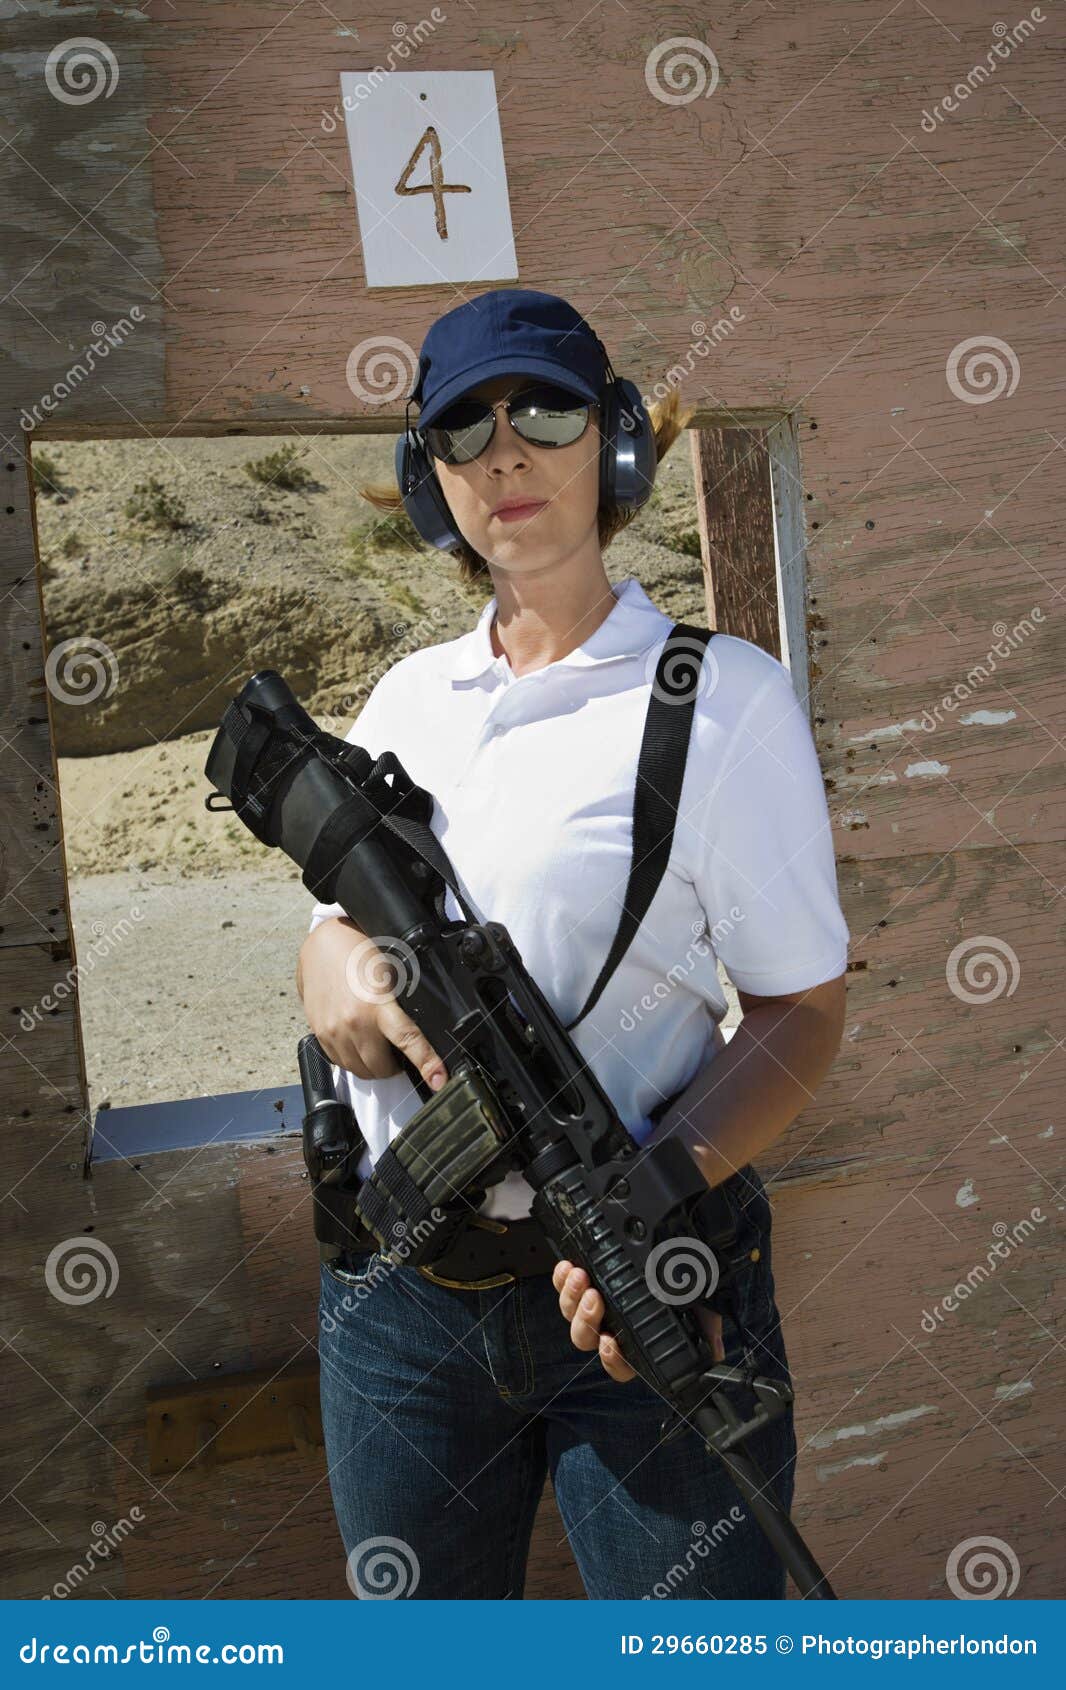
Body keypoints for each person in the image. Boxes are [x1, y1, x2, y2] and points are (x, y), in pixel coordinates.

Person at [296, 288, 849, 1600]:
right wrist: (336, 974)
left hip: (634, 1293)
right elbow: (328, 921)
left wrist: (646, 1200)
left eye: (541, 410)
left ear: (609, 443)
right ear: (427, 483)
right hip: (399, 1307)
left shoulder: (719, 702)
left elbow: (801, 1014)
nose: (503, 452)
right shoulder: (407, 699)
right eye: (460, 427)